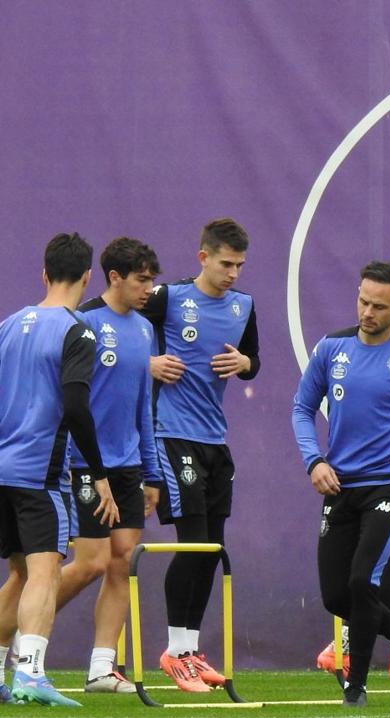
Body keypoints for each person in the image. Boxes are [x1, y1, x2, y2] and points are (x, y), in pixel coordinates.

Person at [292, 261, 390, 706]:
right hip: (339, 485)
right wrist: (313, 462)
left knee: (364, 581)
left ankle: (357, 685)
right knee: (335, 594)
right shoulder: (331, 348)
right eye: (363, 301)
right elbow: (302, 408)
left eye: (379, 306)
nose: (368, 312)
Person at [0, 233, 118, 706]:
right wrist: (99, 470)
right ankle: (29, 672)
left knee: (19, 576)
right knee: (45, 571)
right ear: (88, 276)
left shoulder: (8, 325)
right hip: (39, 472)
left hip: (3, 468)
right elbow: (75, 404)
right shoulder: (78, 329)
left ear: (44, 273)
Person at [143, 218, 260, 692]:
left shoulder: (244, 306)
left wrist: (245, 363)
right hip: (172, 434)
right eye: (225, 263)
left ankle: (190, 649)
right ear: (203, 258)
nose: (232, 273)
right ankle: (174, 652)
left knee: (212, 551)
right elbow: (108, 318)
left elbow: (253, 362)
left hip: (216, 439)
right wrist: (146, 362)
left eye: (239, 265)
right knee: (192, 545)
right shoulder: (169, 299)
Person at [60, 238, 163, 692]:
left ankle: (102, 668)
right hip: (85, 464)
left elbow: (145, 407)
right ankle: (20, 632)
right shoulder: (82, 323)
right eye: (142, 279)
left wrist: (151, 471)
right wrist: (69, 464)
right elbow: (68, 404)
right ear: (114, 277)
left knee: (122, 562)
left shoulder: (144, 329)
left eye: (152, 280)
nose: (149, 289)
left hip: (127, 468)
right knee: (91, 563)